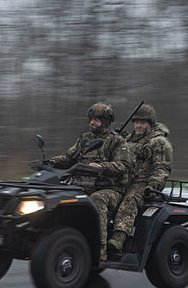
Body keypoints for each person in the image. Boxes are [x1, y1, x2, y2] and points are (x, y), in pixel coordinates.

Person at [31, 101, 132, 260]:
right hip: (81, 186)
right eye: (91, 119)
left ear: (105, 122)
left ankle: (100, 252)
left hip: (109, 190)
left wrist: (101, 167)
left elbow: (123, 165)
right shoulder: (85, 139)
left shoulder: (117, 141)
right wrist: (51, 162)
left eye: (96, 120)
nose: (92, 122)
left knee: (97, 199)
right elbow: (69, 157)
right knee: (56, 195)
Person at [107, 103, 173, 254]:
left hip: (143, 183)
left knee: (130, 200)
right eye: (136, 122)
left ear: (150, 124)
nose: (138, 126)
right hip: (123, 181)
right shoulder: (129, 139)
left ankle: (118, 238)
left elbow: (162, 168)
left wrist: (153, 185)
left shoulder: (159, 142)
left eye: (142, 122)